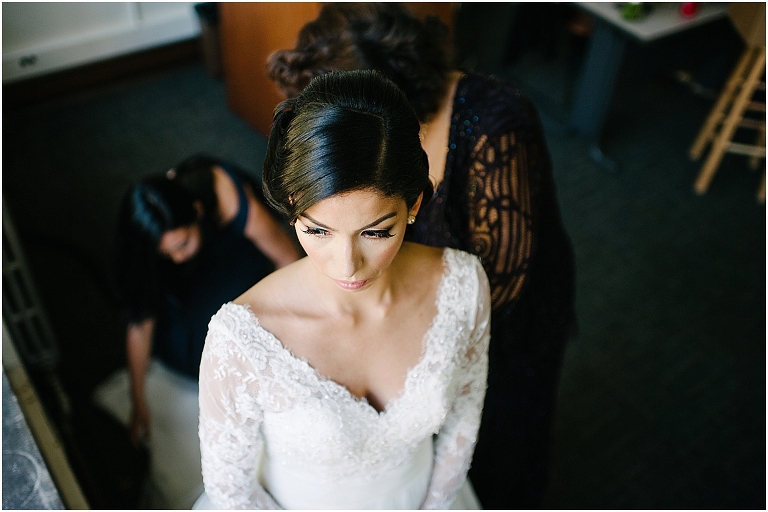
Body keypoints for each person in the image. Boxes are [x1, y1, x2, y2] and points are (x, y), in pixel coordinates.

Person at [266, 4, 578, 508]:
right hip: (404, 304)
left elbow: (501, 278)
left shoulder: (496, 123)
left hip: (502, 315)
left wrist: (408, 355)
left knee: (500, 440)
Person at [195, 70, 491, 509]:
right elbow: (231, 491)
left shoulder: (463, 286)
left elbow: (464, 418)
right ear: (293, 207)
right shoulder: (241, 339)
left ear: (411, 207)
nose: (347, 264)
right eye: (318, 231)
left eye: (375, 233)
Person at [95, 154, 300, 508]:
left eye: (181, 245)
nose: (175, 257)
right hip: (188, 301)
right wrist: (138, 397)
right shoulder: (154, 248)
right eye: (165, 253)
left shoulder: (231, 199)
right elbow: (140, 325)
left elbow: (289, 260)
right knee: (187, 339)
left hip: (234, 264)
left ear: (197, 211)